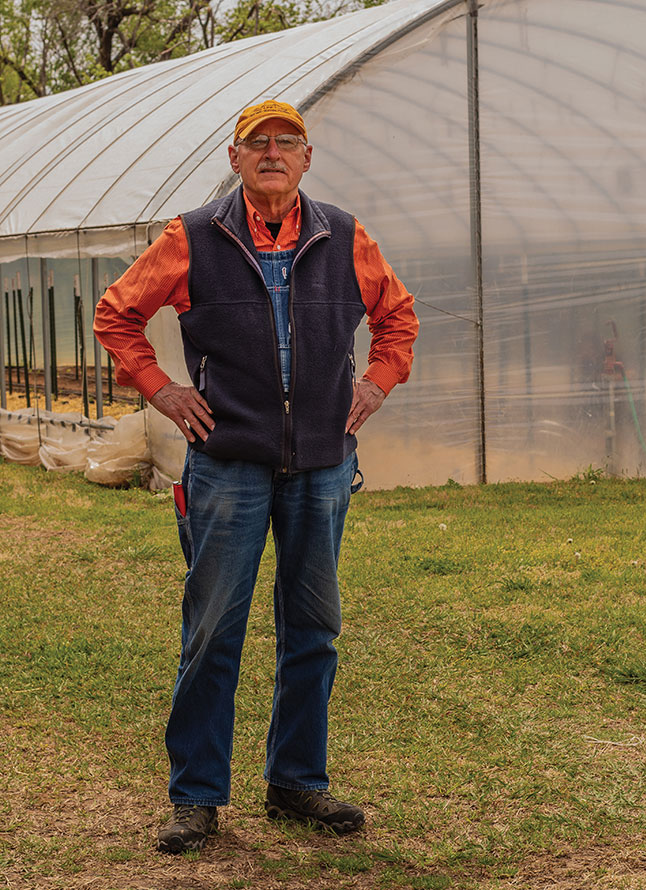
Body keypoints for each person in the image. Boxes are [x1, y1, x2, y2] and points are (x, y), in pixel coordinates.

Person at [94, 99, 418, 854]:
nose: (273, 152)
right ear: (235, 159)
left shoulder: (344, 236)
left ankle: (297, 781)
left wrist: (376, 381)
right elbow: (117, 314)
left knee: (314, 628)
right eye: (257, 143)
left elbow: (397, 319)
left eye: (288, 142)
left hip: (321, 465)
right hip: (228, 463)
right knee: (213, 630)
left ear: (308, 158)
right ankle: (197, 797)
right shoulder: (193, 238)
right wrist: (162, 389)